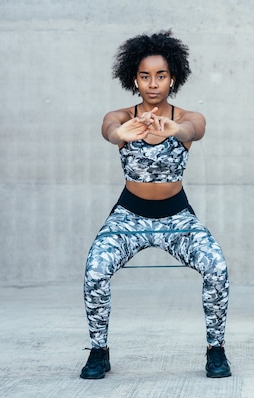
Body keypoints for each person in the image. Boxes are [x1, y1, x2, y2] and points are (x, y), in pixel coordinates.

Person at [80, 31, 231, 379]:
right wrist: (121, 135)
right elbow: (108, 128)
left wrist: (175, 129)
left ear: (172, 77)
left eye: (160, 76)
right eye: (145, 76)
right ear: (134, 78)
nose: (153, 84)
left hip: (176, 217)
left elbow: (196, 130)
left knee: (218, 268)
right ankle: (98, 352)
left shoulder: (186, 117)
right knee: (95, 271)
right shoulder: (121, 117)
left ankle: (216, 350)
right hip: (128, 216)